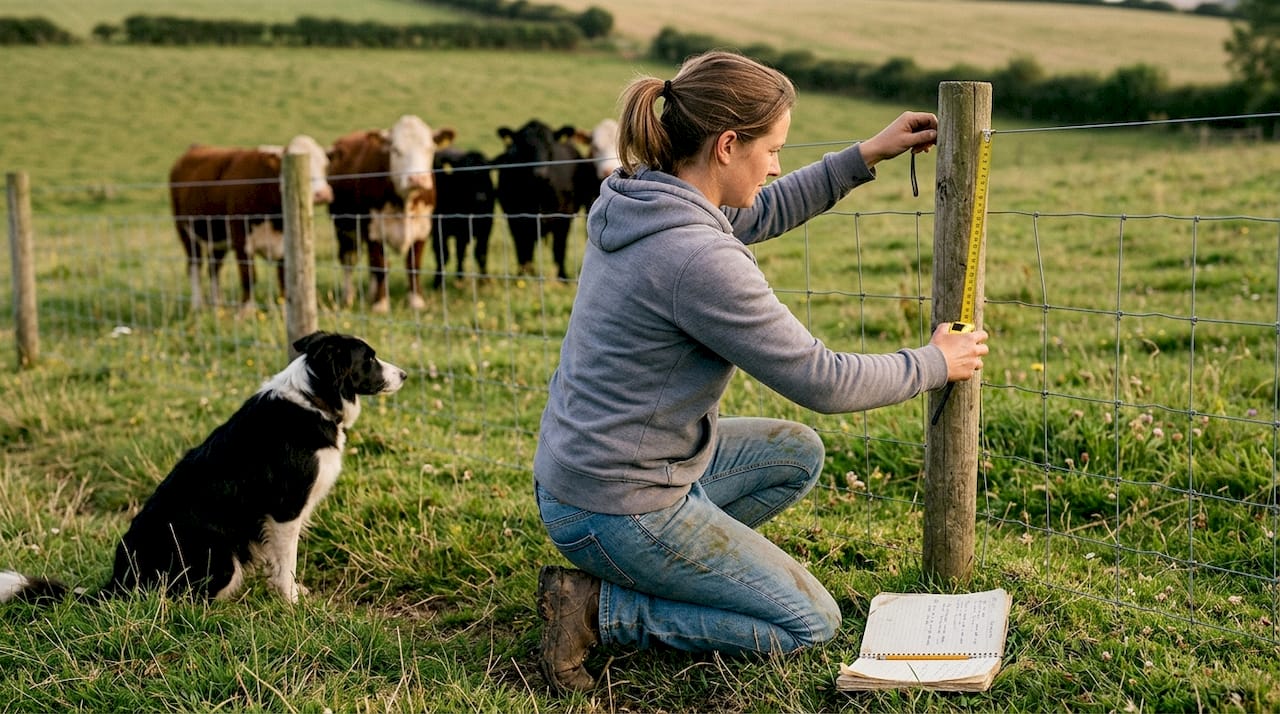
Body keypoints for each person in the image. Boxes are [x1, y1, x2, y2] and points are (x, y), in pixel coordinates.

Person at [532, 49, 990, 693]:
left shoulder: (641, 198)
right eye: (772, 148)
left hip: (589, 472)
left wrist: (866, 155)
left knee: (794, 453)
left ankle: (660, 565)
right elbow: (822, 380)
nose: (777, 163)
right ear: (726, 145)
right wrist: (935, 362)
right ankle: (598, 608)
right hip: (616, 503)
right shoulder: (697, 257)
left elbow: (760, 210)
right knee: (808, 623)